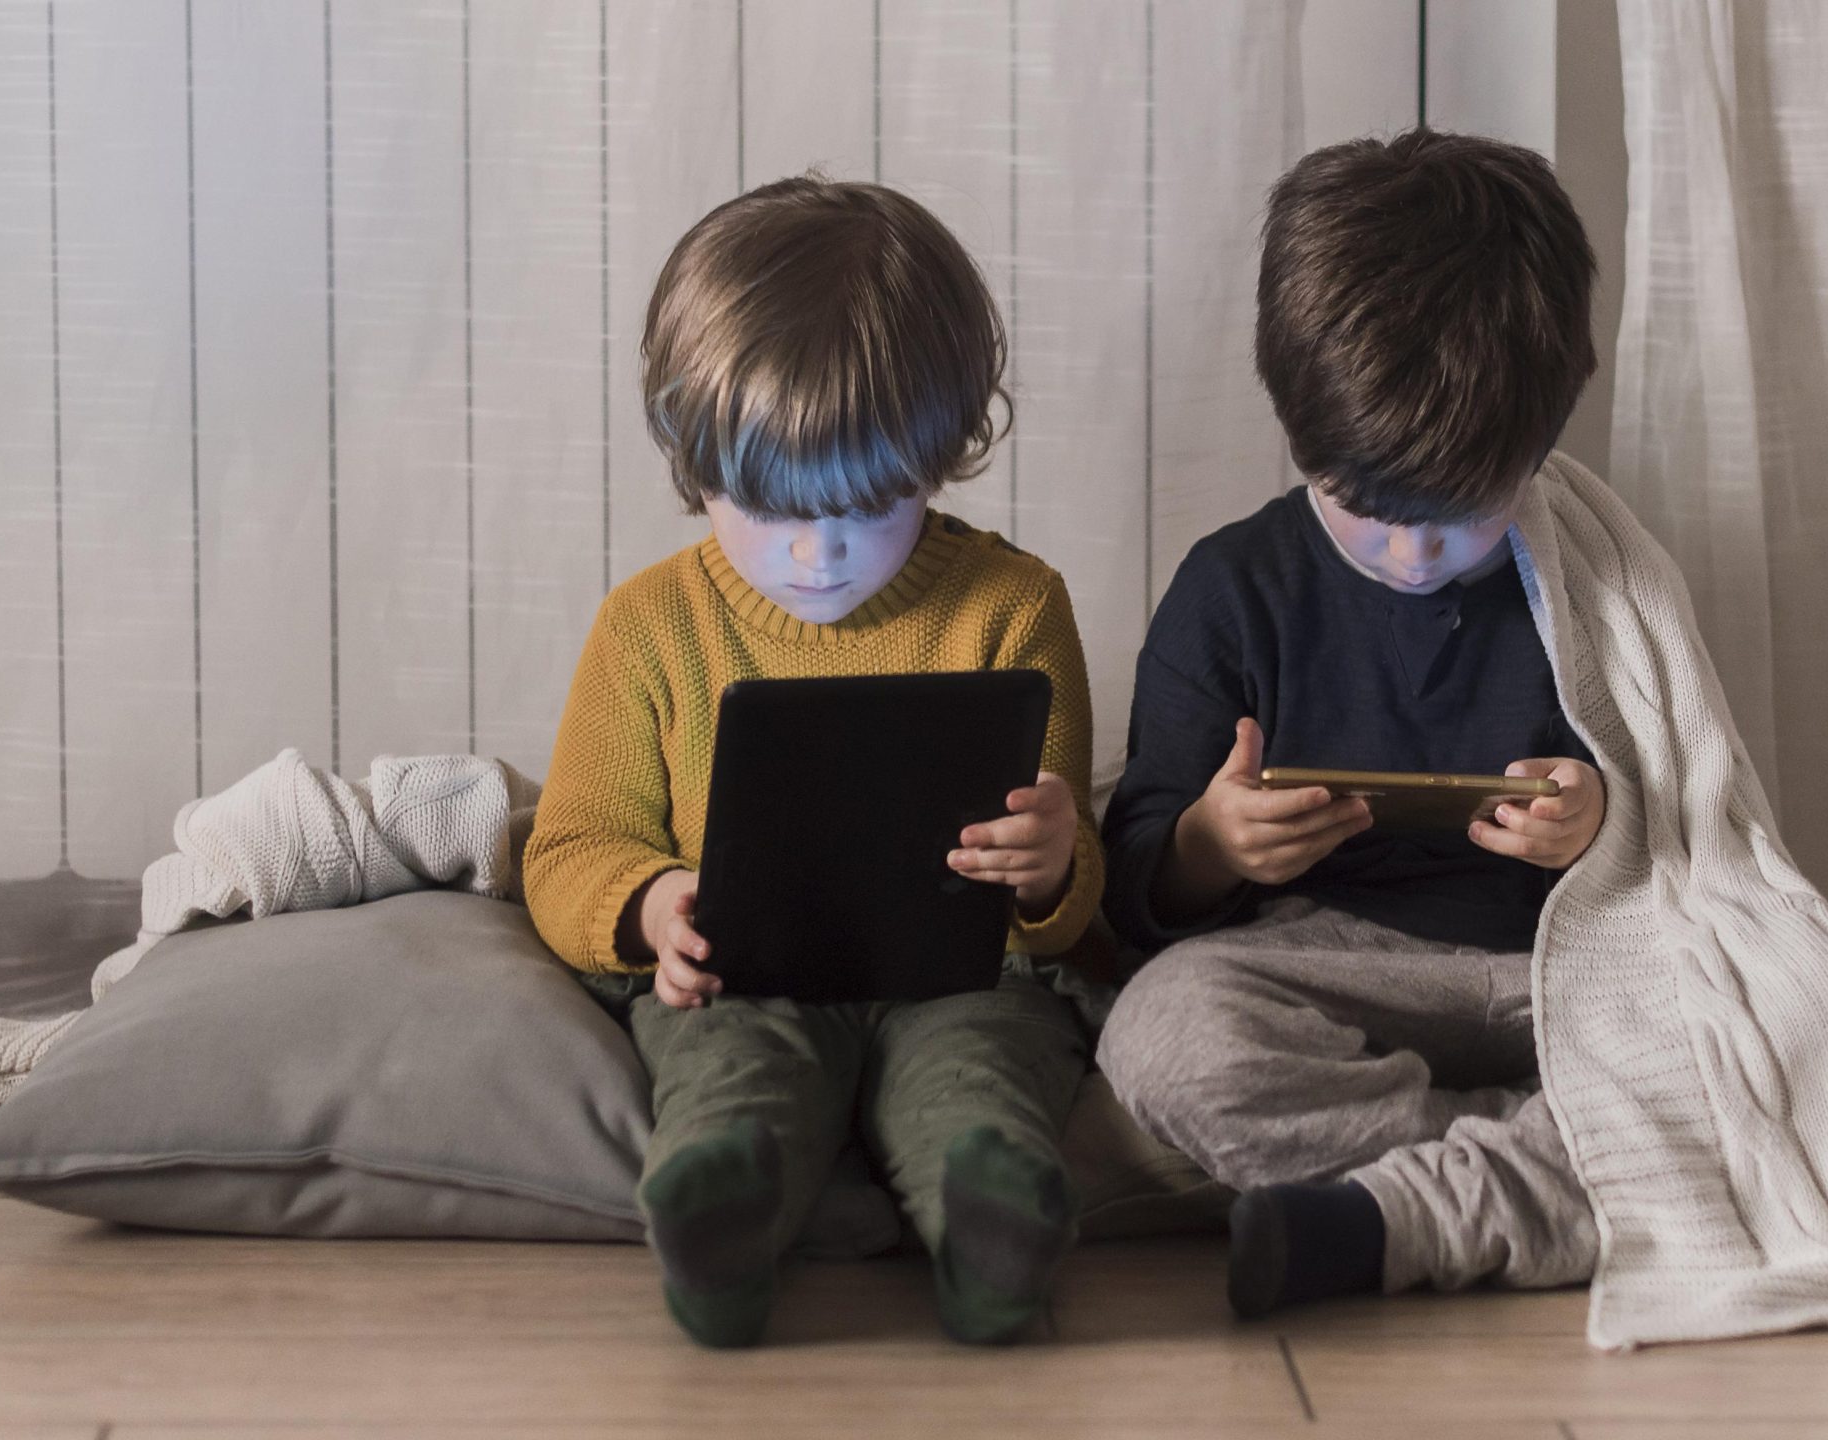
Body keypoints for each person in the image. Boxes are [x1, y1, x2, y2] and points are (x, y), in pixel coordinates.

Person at [524, 176, 1100, 1349]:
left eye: (870, 505)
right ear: (697, 463)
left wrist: (1047, 868)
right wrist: (649, 906)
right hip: (746, 982)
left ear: (939, 459)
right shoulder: (648, 628)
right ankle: (721, 1218)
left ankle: (993, 1233)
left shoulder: (1014, 608)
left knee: (983, 1074)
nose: (817, 552)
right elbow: (571, 843)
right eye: (771, 504)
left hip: (957, 981)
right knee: (731, 1073)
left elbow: (1068, 895)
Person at [1097, 130, 1606, 1317]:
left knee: (1771, 1037)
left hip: (1560, 972)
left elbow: (1696, 824)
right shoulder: (1233, 589)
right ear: (1295, 429)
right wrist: (1210, 849)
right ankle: (1530, 1172)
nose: (1410, 550)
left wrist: (1599, 822)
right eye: (1364, 508)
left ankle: (1392, 1216)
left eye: (1463, 512)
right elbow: (1131, 885)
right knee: (1164, 1034)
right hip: (1320, 969)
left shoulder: (1594, 581)